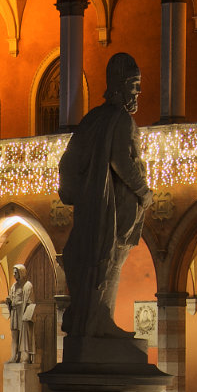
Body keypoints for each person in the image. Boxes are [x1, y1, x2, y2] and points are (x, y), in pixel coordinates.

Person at [54, 54, 155, 363]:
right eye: (135, 86)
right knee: (109, 260)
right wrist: (144, 191)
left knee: (92, 260)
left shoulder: (91, 120)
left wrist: (71, 190)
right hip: (113, 208)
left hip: (90, 207)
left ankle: (90, 318)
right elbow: (122, 161)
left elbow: (68, 160)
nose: (137, 94)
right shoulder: (121, 120)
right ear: (121, 86)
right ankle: (99, 320)